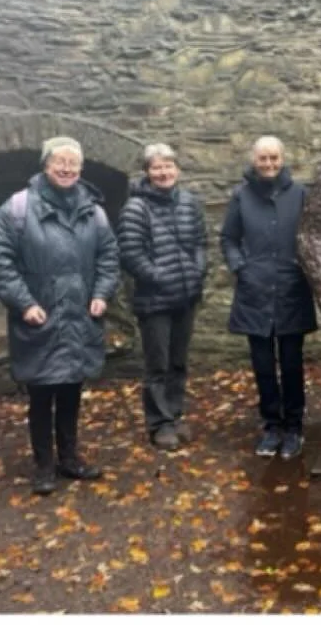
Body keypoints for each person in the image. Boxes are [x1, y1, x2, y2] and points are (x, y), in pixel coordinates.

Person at [0, 136, 121, 495]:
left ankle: (70, 457)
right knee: (42, 393)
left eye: (73, 163)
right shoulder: (16, 209)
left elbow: (108, 257)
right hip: (39, 317)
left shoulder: (95, 210)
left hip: (79, 316)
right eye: (59, 161)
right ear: (45, 165)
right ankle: (44, 464)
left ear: (81, 169)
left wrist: (102, 294)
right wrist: (24, 303)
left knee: (72, 388)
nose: (66, 168)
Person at [220, 135, 317, 458]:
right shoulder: (241, 196)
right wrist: (241, 268)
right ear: (254, 160)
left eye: (274, 158)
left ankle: (293, 426)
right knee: (262, 364)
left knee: (291, 363)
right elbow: (229, 238)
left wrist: (307, 271)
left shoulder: (301, 194)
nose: (269, 164)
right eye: (263, 158)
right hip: (254, 291)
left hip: (291, 289)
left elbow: (314, 236)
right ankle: (271, 425)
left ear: (282, 159)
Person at [117, 143, 208, 452]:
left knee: (178, 362)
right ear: (147, 173)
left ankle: (175, 413)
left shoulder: (188, 203)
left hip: (186, 297)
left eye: (168, 166)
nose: (163, 172)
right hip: (154, 301)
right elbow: (131, 254)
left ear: (177, 170)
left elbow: (199, 242)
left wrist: (197, 272)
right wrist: (159, 277)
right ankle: (159, 423)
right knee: (158, 364)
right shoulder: (135, 208)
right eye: (156, 167)